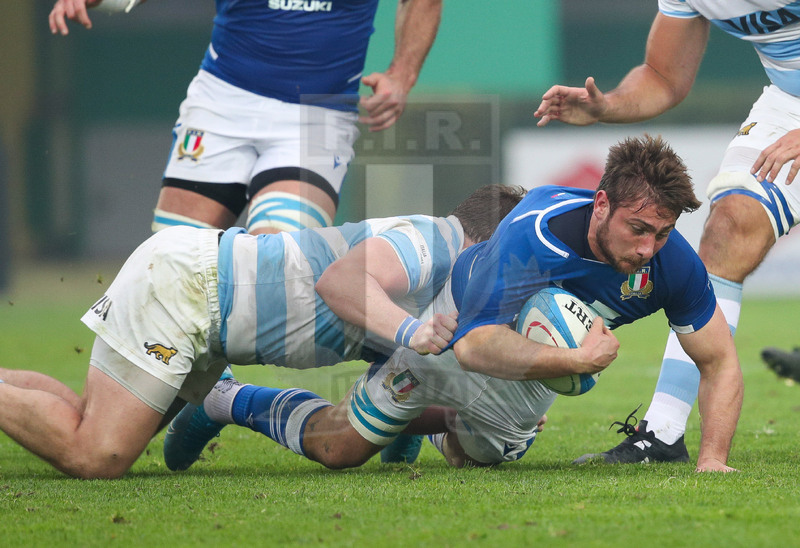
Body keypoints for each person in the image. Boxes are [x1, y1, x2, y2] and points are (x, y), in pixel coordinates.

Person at [164, 135, 743, 473]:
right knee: (337, 449)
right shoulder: (530, 240)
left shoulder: (671, 261)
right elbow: (472, 345)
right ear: (600, 205)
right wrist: (574, 362)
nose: (648, 248)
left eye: (661, 233)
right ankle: (227, 399)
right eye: (637, 229)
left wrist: (712, 459)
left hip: (524, 368)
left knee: (490, 456)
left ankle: (425, 427)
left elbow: (718, 359)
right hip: (449, 335)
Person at [0, 185, 522, 479]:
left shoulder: (456, 286)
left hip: (208, 311)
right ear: (492, 240)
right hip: (190, 290)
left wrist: (469, 416)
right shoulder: (436, 241)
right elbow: (339, 283)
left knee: (90, 419)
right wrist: (412, 332)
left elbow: (405, 388)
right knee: (98, 454)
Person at [533, 1, 800, 465]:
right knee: (728, 228)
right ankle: (662, 434)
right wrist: (607, 105)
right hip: (788, 104)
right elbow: (662, 77)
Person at [48, 0, 442, 235]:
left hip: (317, 113)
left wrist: (402, 76)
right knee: (172, 262)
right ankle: (213, 379)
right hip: (222, 101)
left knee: (274, 259)